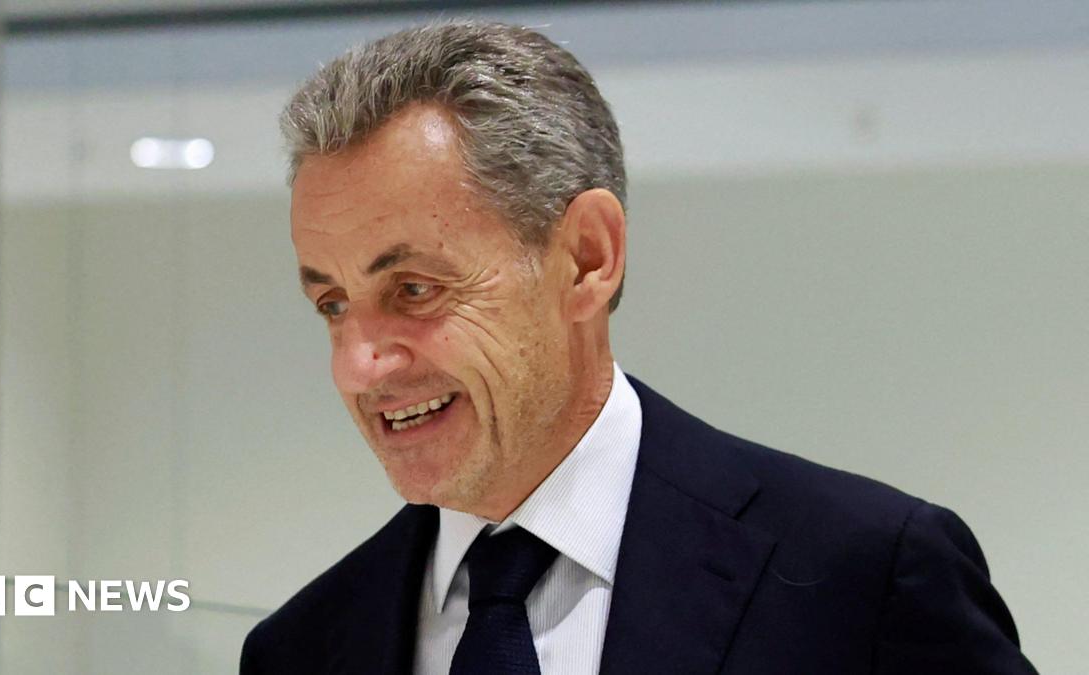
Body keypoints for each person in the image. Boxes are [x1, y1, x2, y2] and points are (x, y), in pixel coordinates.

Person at [240, 20, 1036, 675]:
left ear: (588, 258)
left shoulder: (864, 578)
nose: (358, 365)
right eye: (332, 304)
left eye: (414, 289)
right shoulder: (298, 650)